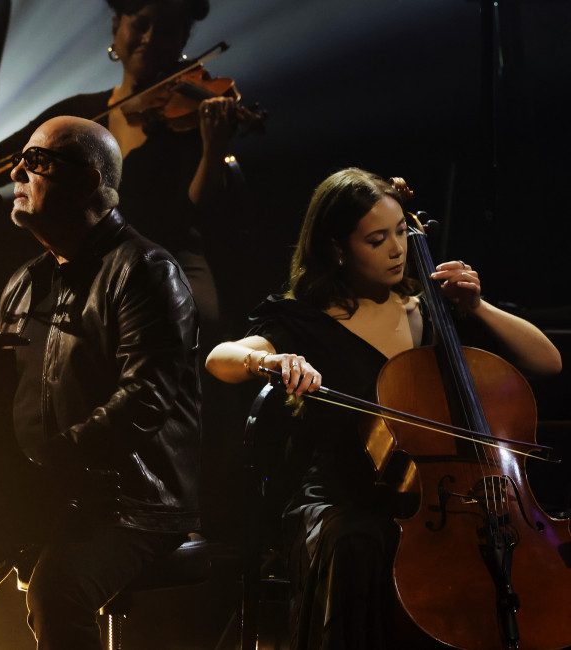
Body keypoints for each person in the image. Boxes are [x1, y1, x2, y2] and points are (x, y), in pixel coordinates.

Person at [204, 168, 562, 649]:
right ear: (337, 247)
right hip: (347, 498)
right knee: (362, 542)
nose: (398, 249)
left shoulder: (436, 309)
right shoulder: (306, 320)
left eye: (400, 232)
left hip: (456, 503)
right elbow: (219, 358)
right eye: (377, 239)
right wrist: (269, 359)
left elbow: (548, 362)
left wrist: (478, 307)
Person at [0, 115, 201, 649]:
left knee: (58, 591)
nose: (17, 170)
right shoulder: (24, 284)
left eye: (36, 161)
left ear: (87, 181)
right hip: (45, 494)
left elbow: (143, 401)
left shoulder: (146, 270)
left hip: (133, 504)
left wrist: (45, 464)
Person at [0, 0, 245, 345]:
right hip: (81, 258)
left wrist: (213, 148)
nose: (150, 38)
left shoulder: (192, 121)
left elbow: (192, 213)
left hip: (165, 261)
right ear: (116, 28)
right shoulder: (79, 114)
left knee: (195, 325)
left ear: (183, 39)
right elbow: (6, 160)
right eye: (140, 25)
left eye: (167, 31)